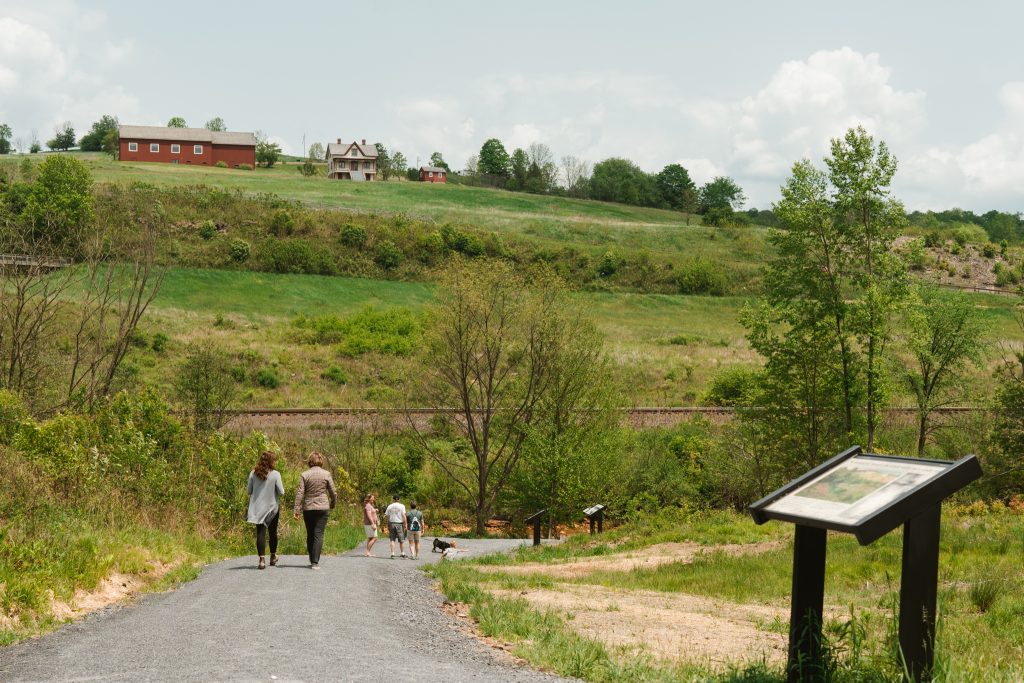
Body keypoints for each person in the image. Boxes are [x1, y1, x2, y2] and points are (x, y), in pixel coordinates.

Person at [293, 452, 337, 569]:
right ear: (321, 461)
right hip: (323, 507)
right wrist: (333, 503)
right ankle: (315, 562)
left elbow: (300, 493)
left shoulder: (304, 475)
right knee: (319, 534)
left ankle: (312, 558)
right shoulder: (326, 474)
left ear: (310, 461)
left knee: (310, 534)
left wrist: (296, 510)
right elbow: (333, 492)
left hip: (308, 508)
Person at [246, 451, 284, 570]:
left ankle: (262, 560)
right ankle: (272, 557)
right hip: (272, 509)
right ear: (272, 461)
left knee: (260, 533)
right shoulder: (276, 474)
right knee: (273, 533)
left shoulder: (253, 473)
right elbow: (281, 492)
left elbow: (249, 491)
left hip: (257, 509)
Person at [383, 495, 408, 559]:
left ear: (393, 499)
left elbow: (387, 516)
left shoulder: (389, 506)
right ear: (399, 500)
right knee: (401, 539)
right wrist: (405, 524)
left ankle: (392, 554)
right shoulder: (402, 506)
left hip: (392, 523)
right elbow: (404, 516)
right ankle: (402, 553)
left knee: (392, 539)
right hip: (399, 524)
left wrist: (388, 524)